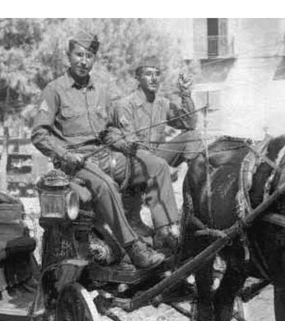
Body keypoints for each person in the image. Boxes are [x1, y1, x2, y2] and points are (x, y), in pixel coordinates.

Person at [30, 33, 164, 268]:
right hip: (74, 164)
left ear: (94, 59)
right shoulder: (54, 91)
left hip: (105, 155)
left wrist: (124, 144)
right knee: (106, 185)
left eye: (89, 56)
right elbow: (39, 134)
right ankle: (134, 248)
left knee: (154, 165)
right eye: (79, 55)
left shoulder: (101, 91)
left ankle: (166, 232)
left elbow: (108, 131)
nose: (83, 61)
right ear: (69, 57)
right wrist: (65, 154)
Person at [104, 63, 198, 249]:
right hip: (133, 162)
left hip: (156, 158)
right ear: (137, 79)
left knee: (192, 137)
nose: (154, 78)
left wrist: (185, 94)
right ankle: (166, 229)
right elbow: (132, 146)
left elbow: (189, 123)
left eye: (157, 74)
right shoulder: (124, 105)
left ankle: (198, 198)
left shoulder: (162, 104)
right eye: (148, 74)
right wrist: (161, 164)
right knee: (158, 165)